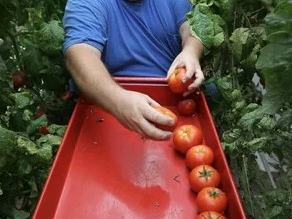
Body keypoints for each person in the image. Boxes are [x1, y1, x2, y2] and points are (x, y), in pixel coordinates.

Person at [63, 0, 204, 140]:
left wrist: (191, 50)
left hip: (173, 102)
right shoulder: (88, 3)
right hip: (105, 105)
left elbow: (191, 28)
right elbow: (80, 54)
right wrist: (118, 100)